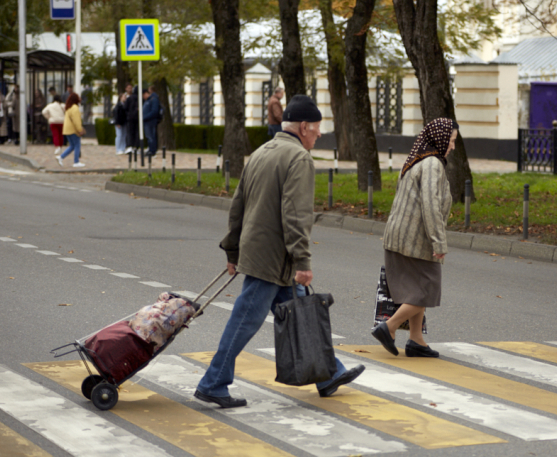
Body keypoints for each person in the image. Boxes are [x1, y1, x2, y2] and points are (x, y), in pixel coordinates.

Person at [195, 94, 365, 408]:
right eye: (316, 128)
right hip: (273, 259)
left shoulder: (261, 152)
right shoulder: (299, 158)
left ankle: (328, 374)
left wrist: (232, 250)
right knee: (245, 320)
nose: (318, 134)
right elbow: (296, 215)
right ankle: (213, 382)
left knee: (301, 314)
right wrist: (302, 260)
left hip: (260, 253)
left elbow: (238, 206)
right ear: (303, 127)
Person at [371, 117, 458, 358]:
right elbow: (430, 205)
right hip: (416, 241)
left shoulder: (416, 160)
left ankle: (416, 340)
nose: (452, 146)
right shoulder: (432, 164)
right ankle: (388, 327)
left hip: (398, 237)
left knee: (414, 291)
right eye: (451, 141)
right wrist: (439, 242)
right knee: (426, 290)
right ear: (440, 139)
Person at [56, 93, 85, 168]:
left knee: (72, 146)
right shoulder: (75, 107)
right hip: (73, 130)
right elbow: (76, 121)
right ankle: (76, 162)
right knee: (77, 145)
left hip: (67, 129)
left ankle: (61, 157)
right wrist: (80, 129)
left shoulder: (69, 107)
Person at [142, 85, 160, 156]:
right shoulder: (148, 100)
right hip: (147, 122)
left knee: (151, 136)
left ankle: (152, 151)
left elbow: (154, 111)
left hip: (150, 121)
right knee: (149, 136)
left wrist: (145, 117)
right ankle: (150, 149)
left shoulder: (153, 99)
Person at [124, 84, 139, 153]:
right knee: (136, 132)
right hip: (138, 118)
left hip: (130, 118)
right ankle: (136, 146)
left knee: (130, 132)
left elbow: (125, 108)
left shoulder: (130, 98)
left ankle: (130, 146)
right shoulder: (140, 99)